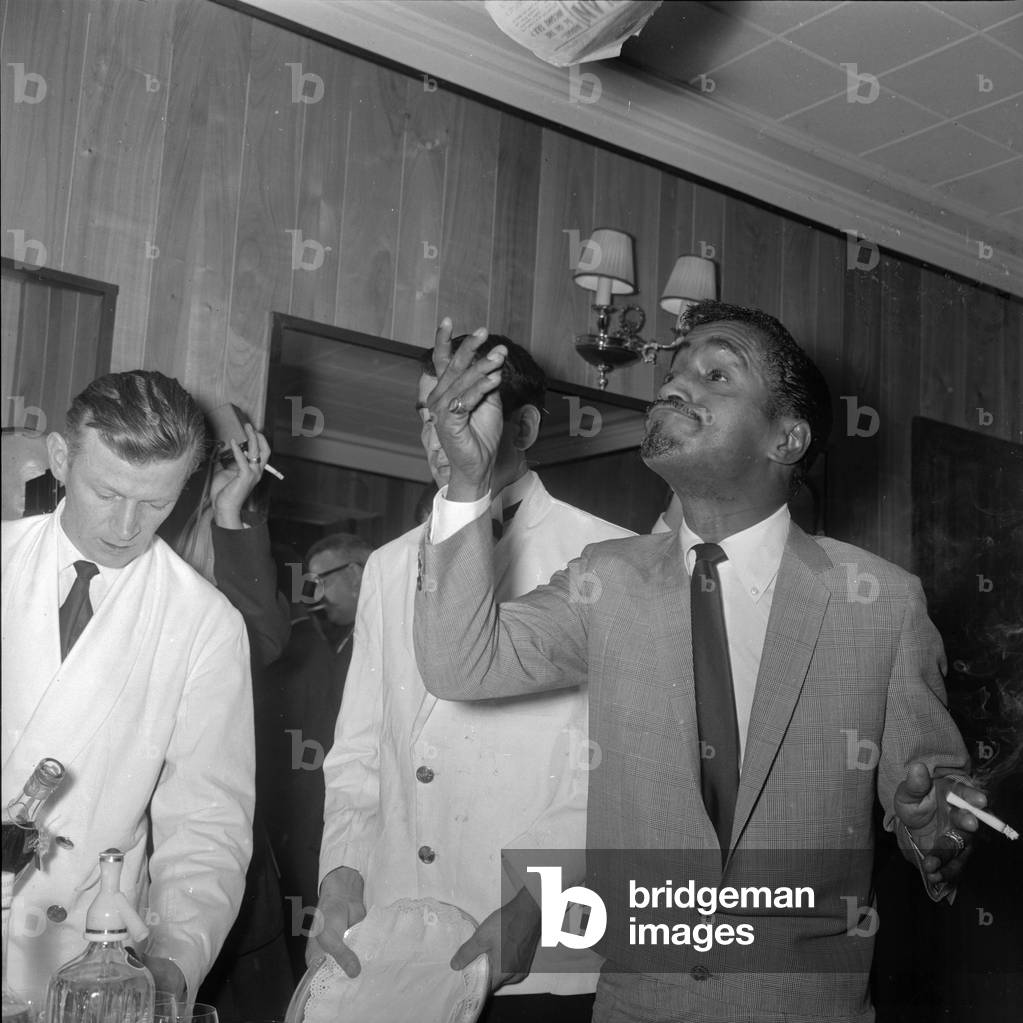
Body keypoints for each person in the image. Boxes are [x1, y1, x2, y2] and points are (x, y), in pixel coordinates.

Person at [412, 305, 988, 1023]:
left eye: (715, 372)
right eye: (674, 370)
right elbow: (459, 664)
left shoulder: (881, 604)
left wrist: (933, 825)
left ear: (787, 437)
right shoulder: (603, 579)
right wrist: (468, 485)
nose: (673, 385)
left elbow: (935, 806)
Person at [312, 329, 633, 1022]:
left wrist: (537, 902)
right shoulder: (391, 564)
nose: (439, 434)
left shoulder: (614, 558)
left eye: (464, 408)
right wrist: (341, 871)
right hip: (396, 948)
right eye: (428, 414)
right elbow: (360, 749)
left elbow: (620, 777)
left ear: (523, 424)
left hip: (539, 955)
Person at [1, 371, 255, 1009]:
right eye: (106, 492)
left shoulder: (206, 624)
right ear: (61, 459)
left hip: (82, 957)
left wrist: (173, 959)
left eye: (155, 504)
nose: (124, 526)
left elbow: (207, 820)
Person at [265, 532, 373, 979]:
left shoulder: (374, 643)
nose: (313, 596)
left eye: (319, 582)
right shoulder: (342, 643)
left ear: (354, 573)